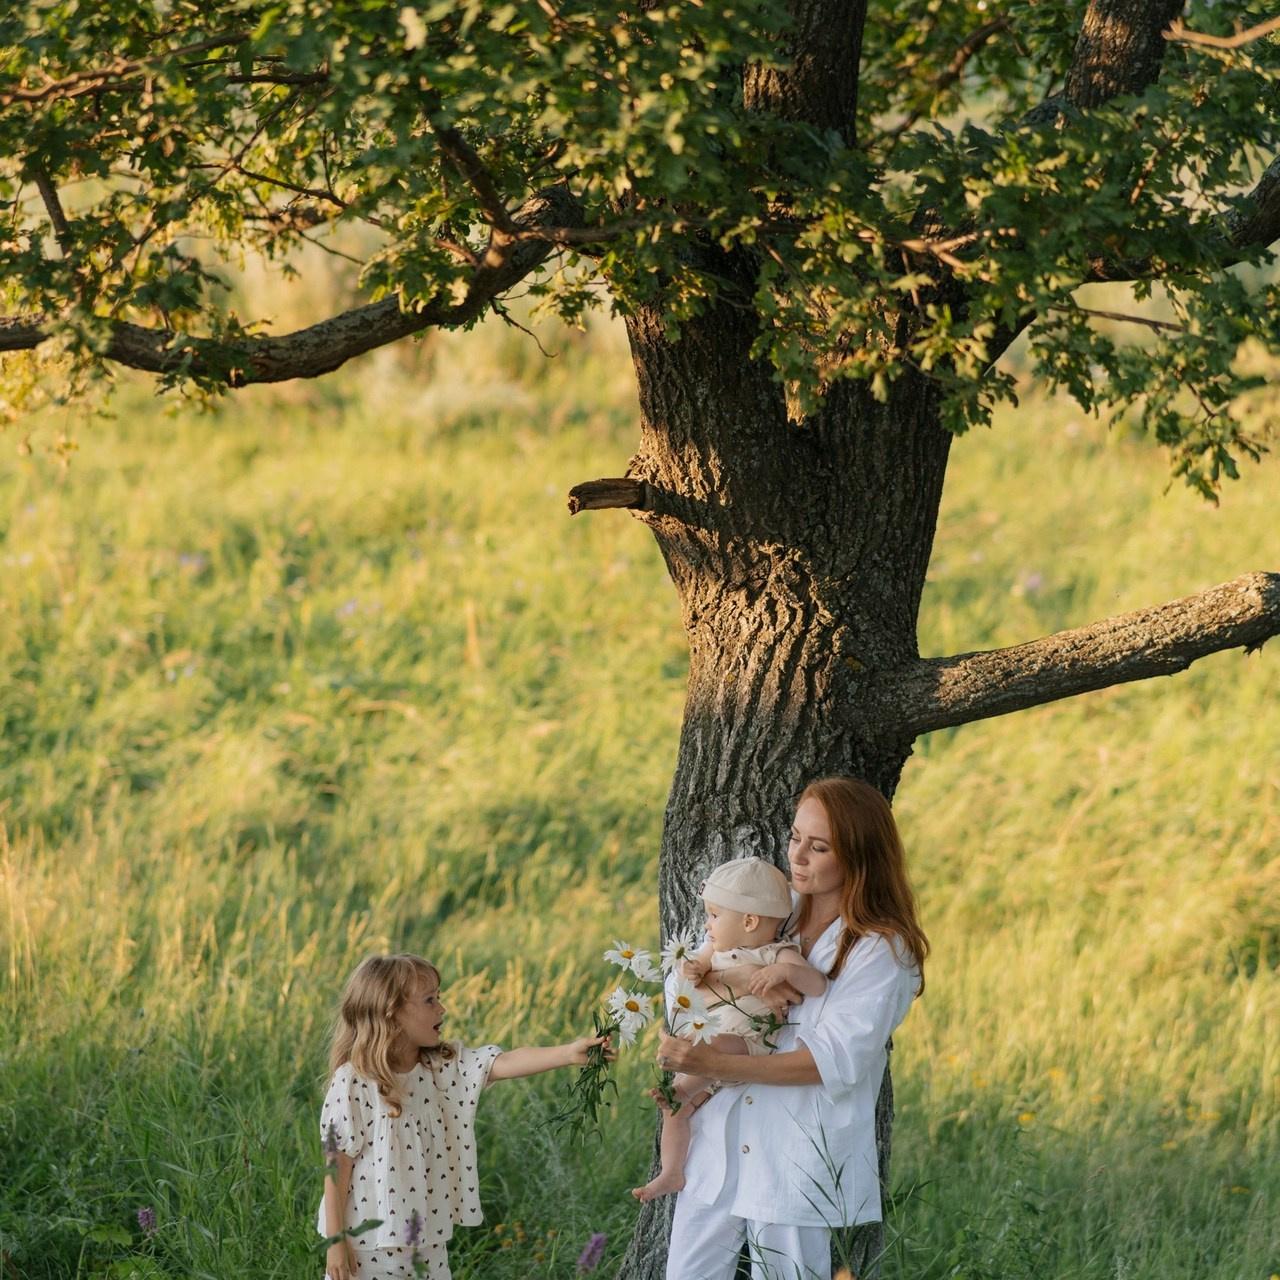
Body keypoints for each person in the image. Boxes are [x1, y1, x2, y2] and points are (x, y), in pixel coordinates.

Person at [655, 778, 929, 1280]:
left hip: (794, 1157)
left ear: (859, 857)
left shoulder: (880, 950)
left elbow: (831, 1062)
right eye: (795, 837)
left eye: (818, 847)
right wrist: (740, 980)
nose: (797, 856)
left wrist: (715, 1062)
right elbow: (682, 985)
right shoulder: (771, 904)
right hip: (718, 1145)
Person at [318, 952, 612, 1280]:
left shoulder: (442, 1067)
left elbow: (503, 1062)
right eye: (429, 1000)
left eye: (438, 997)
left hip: (429, 1245)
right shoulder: (355, 1081)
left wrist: (567, 1053)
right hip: (366, 1247)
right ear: (392, 1012)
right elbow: (337, 1167)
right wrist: (335, 1240)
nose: (442, 1008)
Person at [632, 857, 827, 1203]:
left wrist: (785, 973)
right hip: (711, 1050)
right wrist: (693, 968)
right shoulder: (714, 949)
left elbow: (817, 985)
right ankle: (671, 1172)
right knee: (675, 1108)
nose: (706, 925)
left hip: (745, 1045)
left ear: (749, 921)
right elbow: (689, 977)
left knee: (710, 1052)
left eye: (714, 915)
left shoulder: (777, 954)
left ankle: (683, 1090)